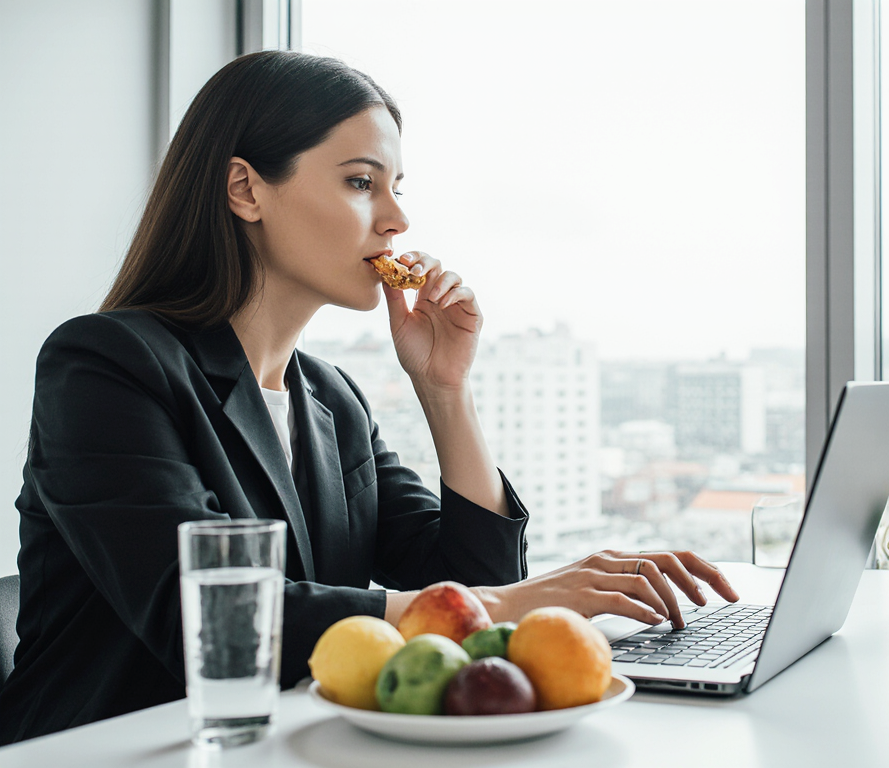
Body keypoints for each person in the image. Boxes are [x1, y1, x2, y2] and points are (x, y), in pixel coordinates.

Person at [0, 50, 738, 744]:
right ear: (245, 188)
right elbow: (206, 616)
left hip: (288, 745)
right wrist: (512, 608)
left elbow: (470, 582)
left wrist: (444, 390)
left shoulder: (330, 398)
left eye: (396, 187)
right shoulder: (104, 365)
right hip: (108, 748)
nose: (397, 220)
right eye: (361, 182)